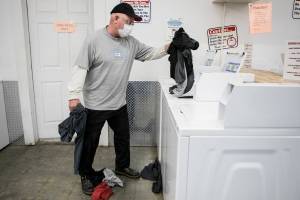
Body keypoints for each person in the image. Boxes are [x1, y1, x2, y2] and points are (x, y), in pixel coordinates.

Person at [67, 2, 169, 195]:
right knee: (90, 143)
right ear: (115, 18)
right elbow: (80, 67)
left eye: (133, 23)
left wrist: (169, 47)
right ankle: (85, 175)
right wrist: (73, 95)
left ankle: (122, 166)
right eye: (129, 21)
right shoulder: (94, 40)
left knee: (123, 137)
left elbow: (150, 53)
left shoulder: (131, 42)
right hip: (96, 105)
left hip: (119, 103)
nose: (131, 26)